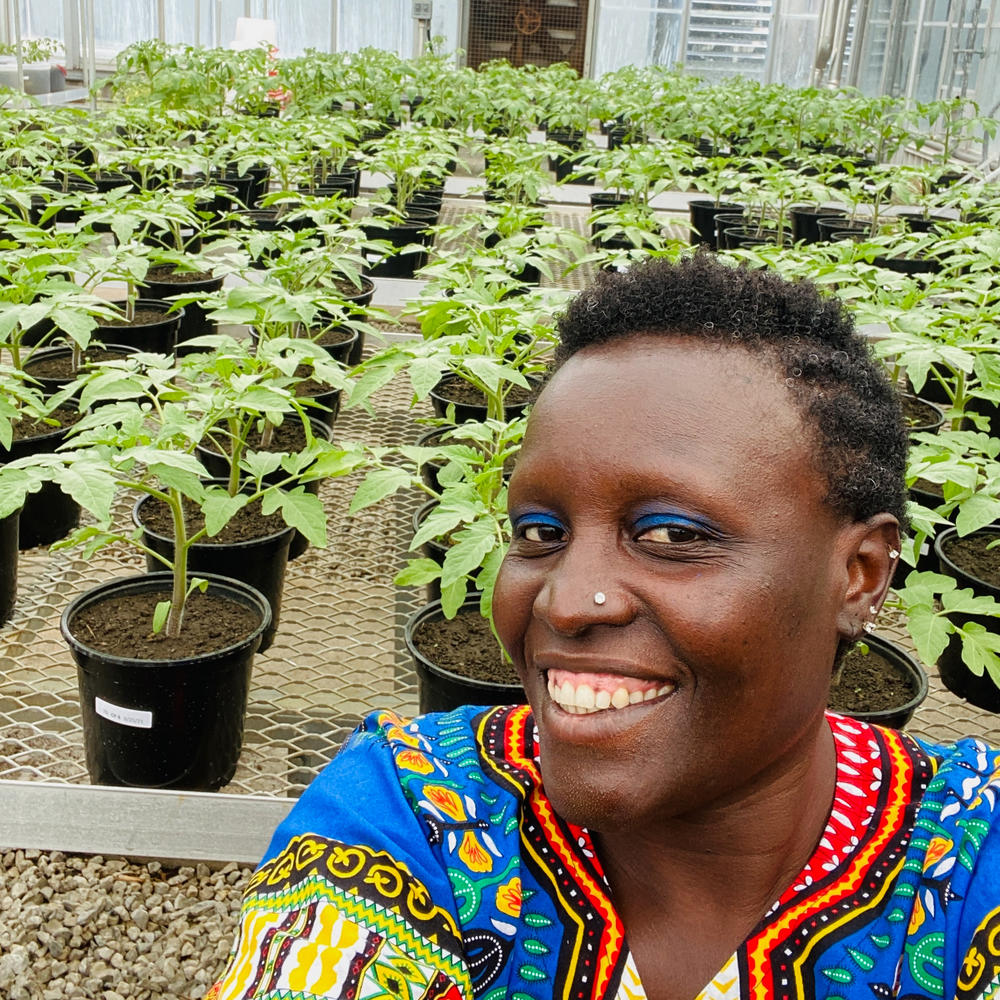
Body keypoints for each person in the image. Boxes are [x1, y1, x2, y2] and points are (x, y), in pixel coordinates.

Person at [206, 254, 1000, 1000]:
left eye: (674, 535)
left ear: (859, 575)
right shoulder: (416, 813)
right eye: (540, 532)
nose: (562, 601)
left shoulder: (970, 857)